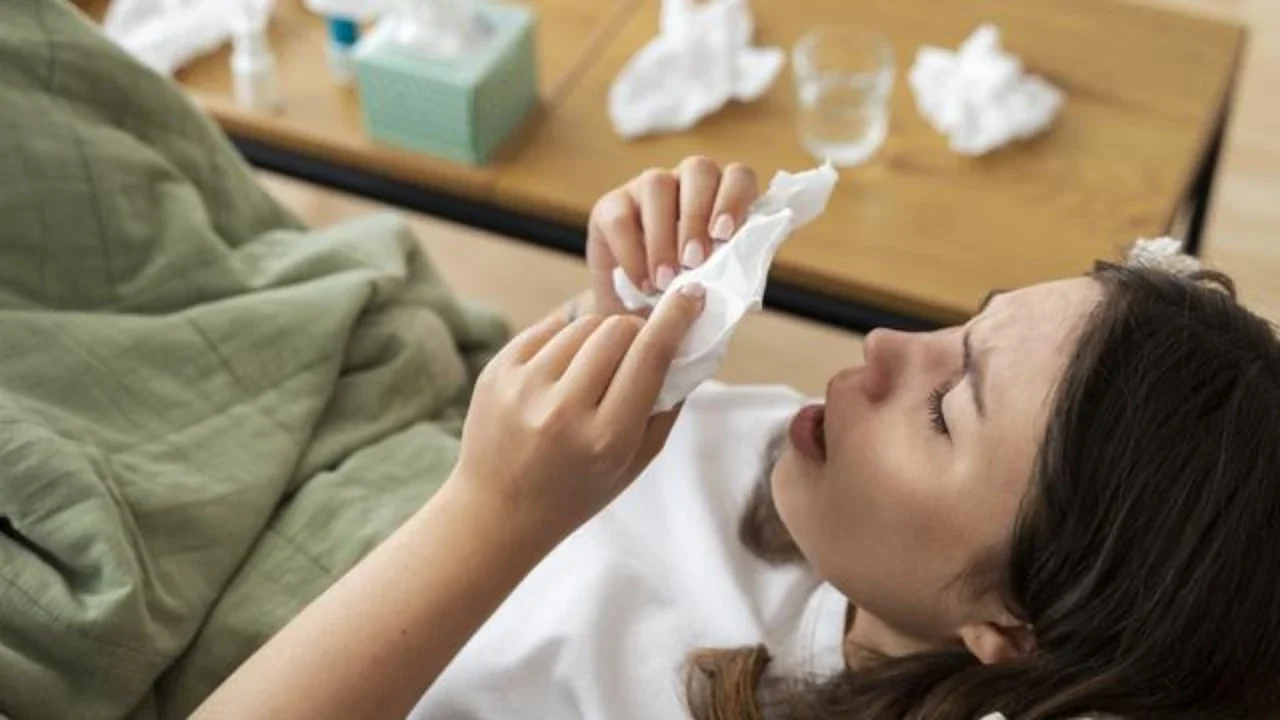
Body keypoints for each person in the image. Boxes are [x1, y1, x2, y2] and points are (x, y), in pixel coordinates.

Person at [195, 157, 1280, 720]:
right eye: (965, 324)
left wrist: (492, 512)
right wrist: (622, 322)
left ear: (1009, 624)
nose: (883, 346)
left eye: (946, 409)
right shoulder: (818, 487)